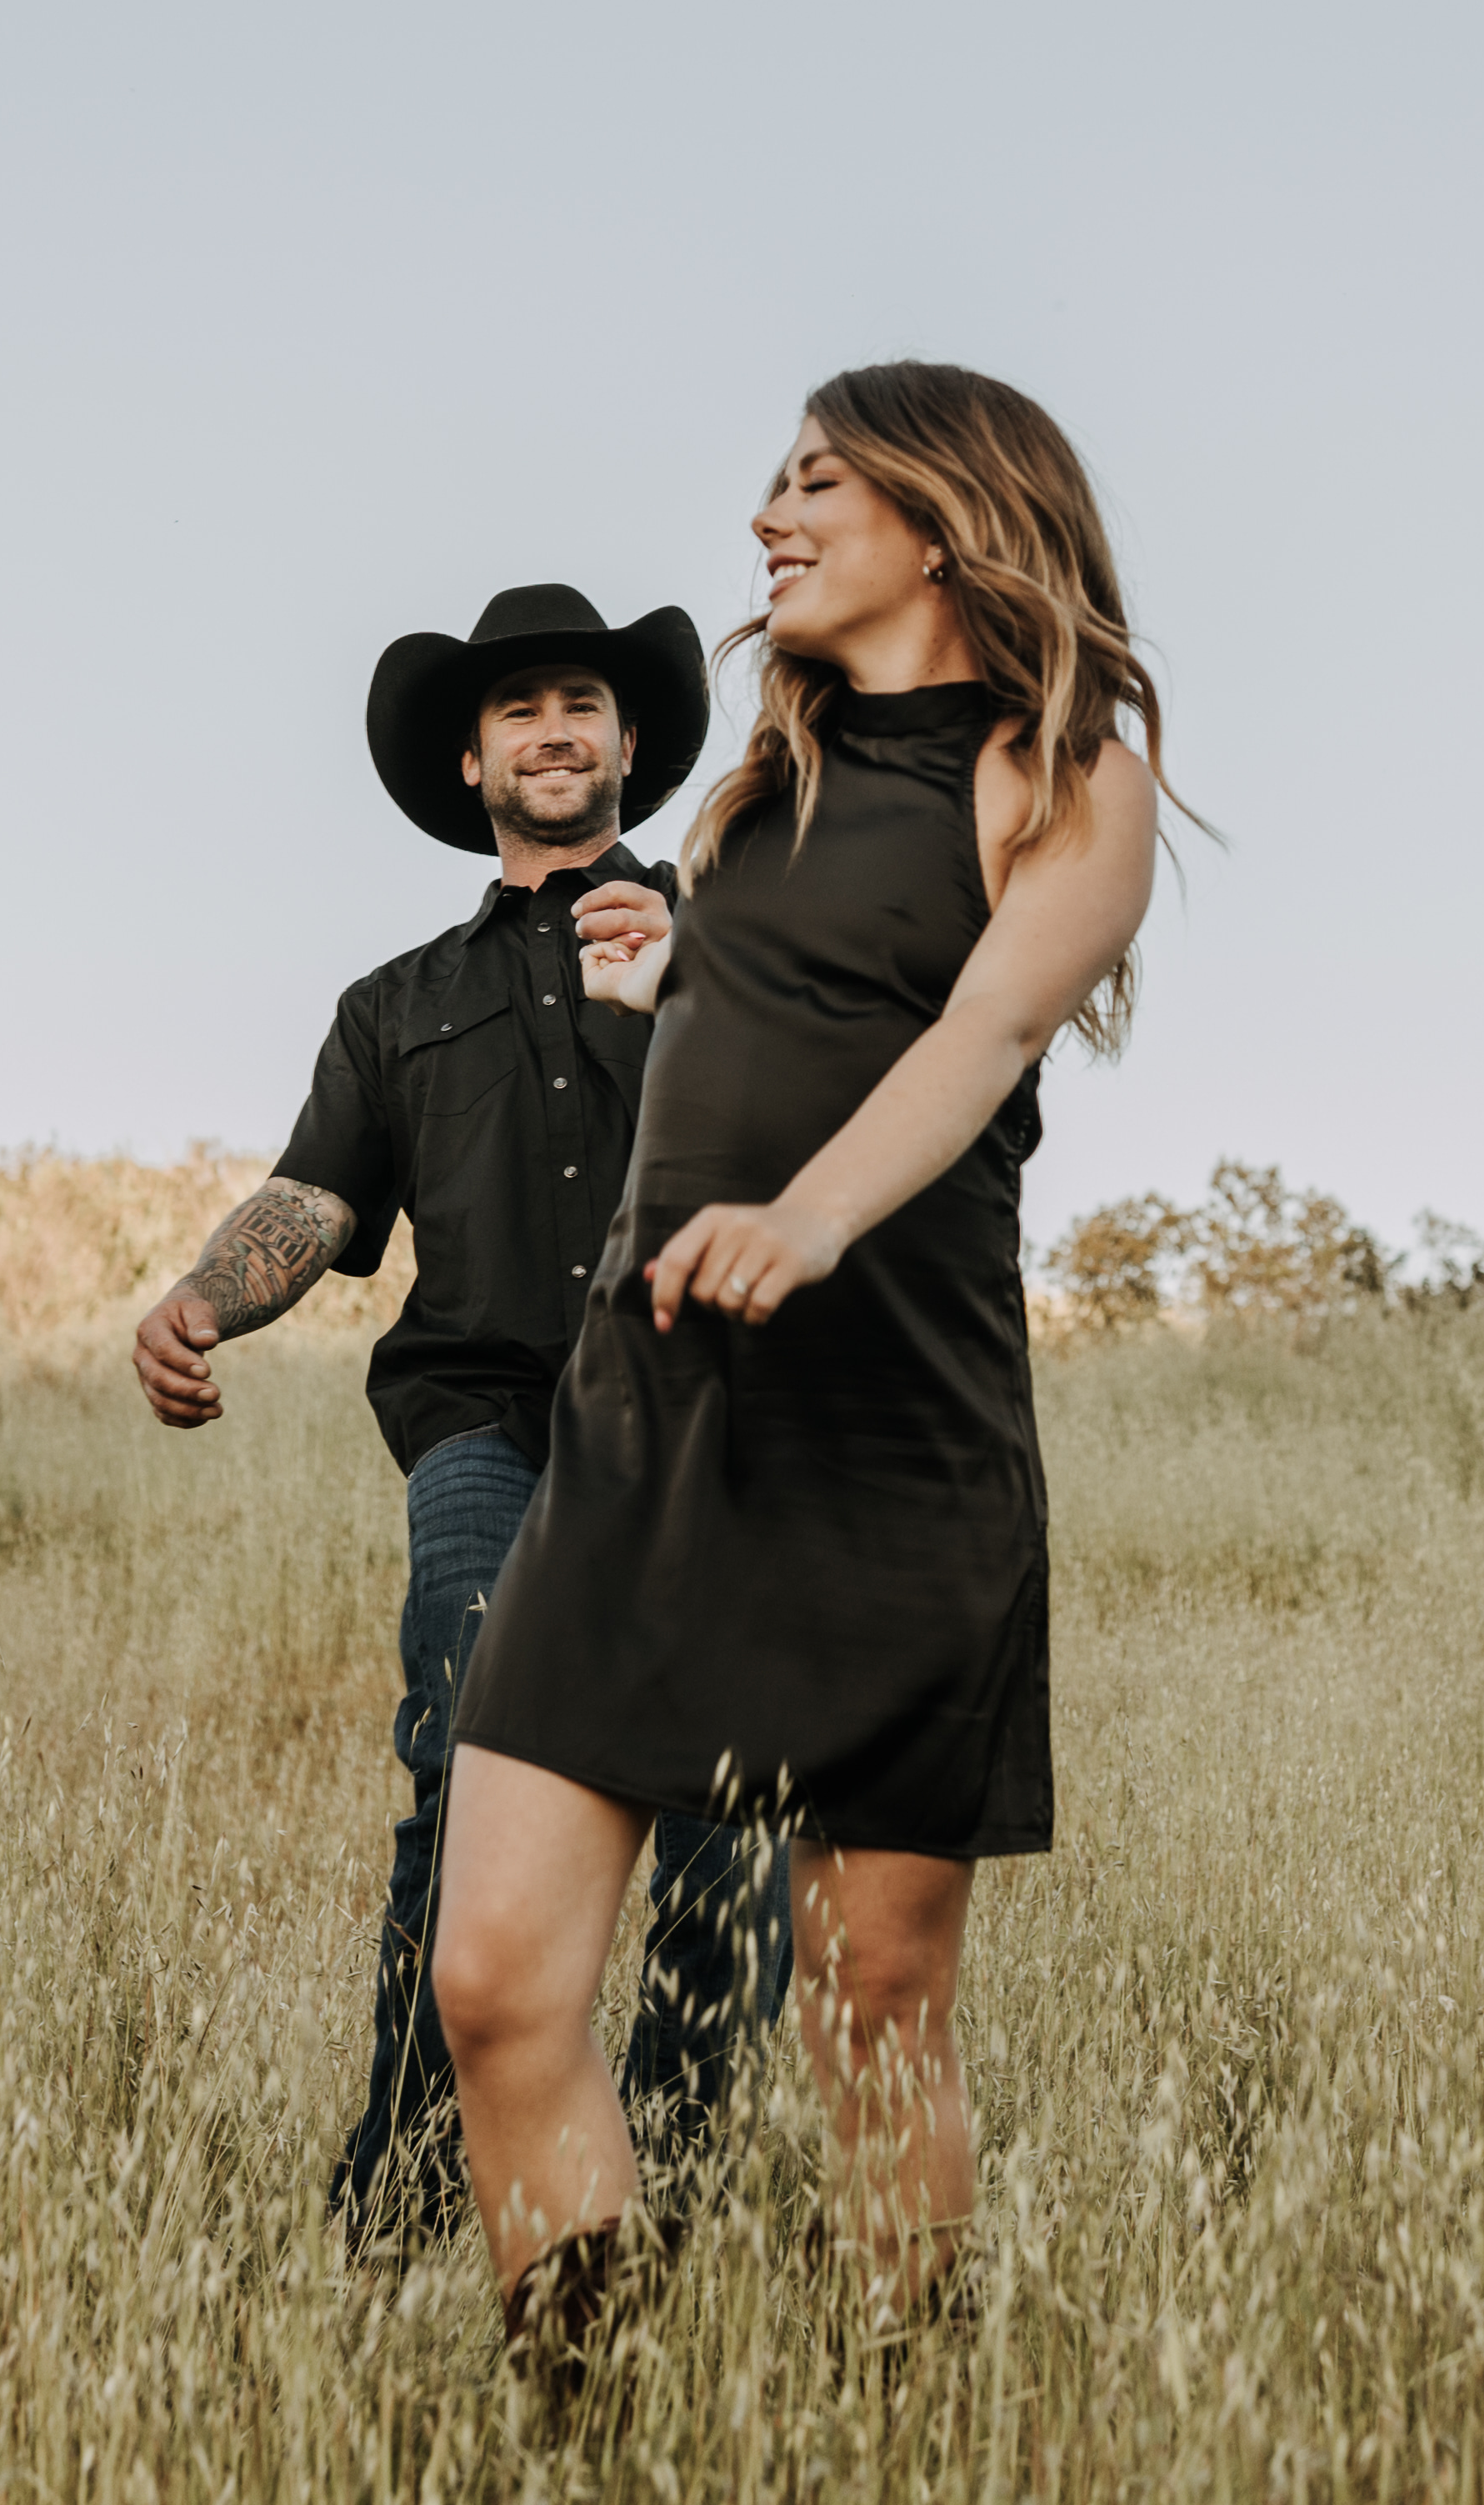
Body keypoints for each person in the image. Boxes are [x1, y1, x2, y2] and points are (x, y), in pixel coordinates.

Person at [426, 366, 1180, 2392]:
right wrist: (686, 988)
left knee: (873, 1993)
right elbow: (796, 1009)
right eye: (772, 478)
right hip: (647, 1420)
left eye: (816, 479)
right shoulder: (755, 791)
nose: (769, 512)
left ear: (943, 518)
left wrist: (816, 1215)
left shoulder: (1061, 774)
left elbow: (980, 1034)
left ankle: (909, 2412)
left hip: (892, 1434)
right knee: (494, 1983)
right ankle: (589, 2414)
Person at [129, 585, 795, 2258]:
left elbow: (829, 1145)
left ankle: (672, 2197)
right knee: (466, 1782)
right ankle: (408, 2190)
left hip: (715, 1424)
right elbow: (310, 1195)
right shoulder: (396, 1006)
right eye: (519, 712)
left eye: (581, 705)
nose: (554, 732)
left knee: (735, 1822)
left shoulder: (733, 943)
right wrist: (204, 1297)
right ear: (470, 759)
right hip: (486, 1429)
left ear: (630, 743)